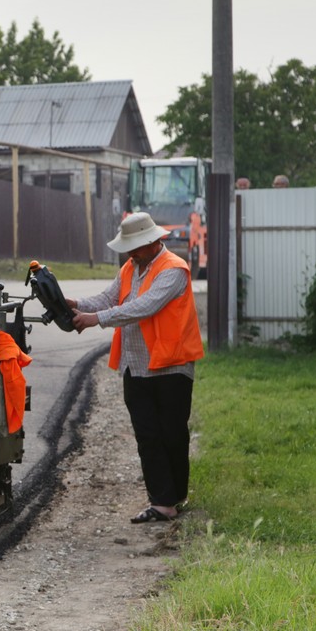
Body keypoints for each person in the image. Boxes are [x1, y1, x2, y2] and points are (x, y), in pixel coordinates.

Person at [66, 212, 204, 524]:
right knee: (147, 435)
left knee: (172, 434)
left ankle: (175, 495)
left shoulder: (174, 270)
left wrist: (95, 320)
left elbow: (143, 307)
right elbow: (107, 297)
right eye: (130, 247)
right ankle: (163, 502)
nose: (132, 253)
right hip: (136, 366)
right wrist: (74, 303)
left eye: (138, 246)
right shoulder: (131, 267)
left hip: (171, 368)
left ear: (156, 241)